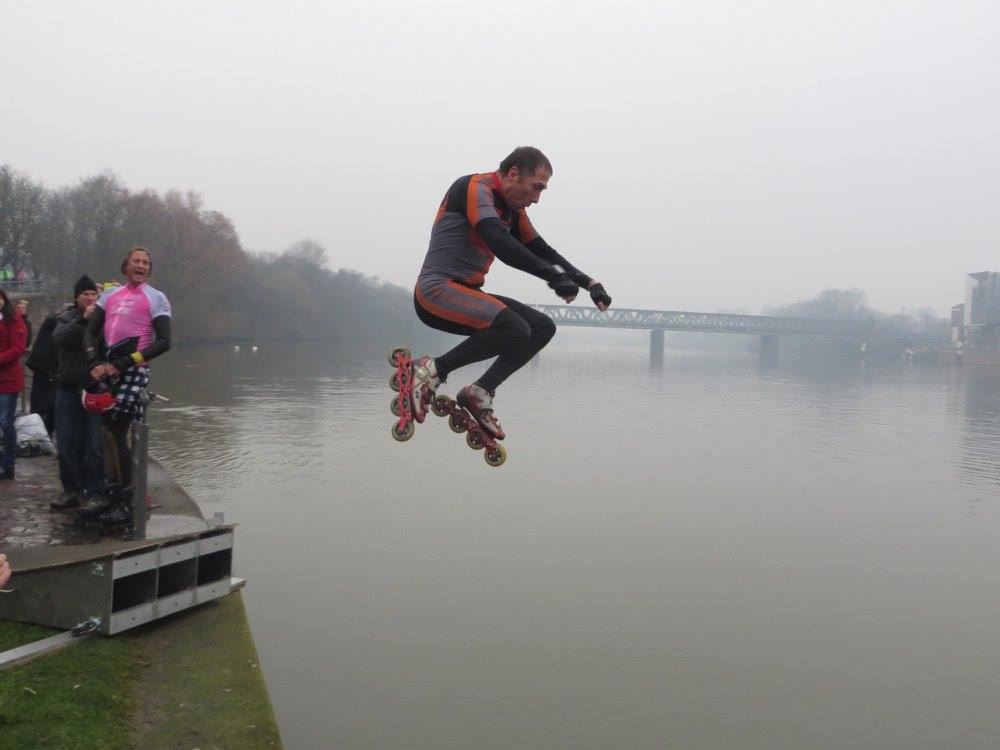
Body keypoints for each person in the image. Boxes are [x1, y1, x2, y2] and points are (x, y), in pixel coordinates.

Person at [409, 146, 612, 439]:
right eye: (536, 187)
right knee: (515, 328)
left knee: (542, 327)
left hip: (466, 293)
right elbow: (499, 242)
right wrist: (553, 277)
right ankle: (432, 370)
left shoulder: (513, 211)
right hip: (435, 292)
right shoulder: (475, 188)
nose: (536, 199)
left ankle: (480, 391)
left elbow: (541, 249)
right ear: (513, 174)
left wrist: (589, 283)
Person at [86, 247, 171, 487]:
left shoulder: (156, 297)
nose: (141, 266)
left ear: (149, 270)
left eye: (145, 263)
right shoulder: (110, 294)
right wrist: (94, 361)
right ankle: (111, 486)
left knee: (116, 431)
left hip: (134, 369)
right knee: (104, 432)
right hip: (106, 368)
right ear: (126, 266)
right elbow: (90, 331)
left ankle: (125, 494)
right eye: (136, 261)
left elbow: (164, 342)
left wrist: (126, 361)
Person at [50, 276, 106, 510]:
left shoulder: (104, 320)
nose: (90, 298)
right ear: (77, 298)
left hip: (94, 390)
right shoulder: (66, 318)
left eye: (93, 294)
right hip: (67, 389)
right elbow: (60, 338)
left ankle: (95, 492)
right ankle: (71, 491)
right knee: (66, 444)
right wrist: (84, 320)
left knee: (94, 445)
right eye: (86, 294)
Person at [0, 288, 28, 480]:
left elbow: (17, 349)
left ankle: (8, 464)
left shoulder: (14, 320)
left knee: (5, 421)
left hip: (7, 379)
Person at [25, 305, 63, 434]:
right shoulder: (57, 328)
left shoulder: (47, 329)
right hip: (51, 374)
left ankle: (37, 432)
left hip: (41, 371)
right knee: (51, 405)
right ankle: (47, 432)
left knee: (39, 404)